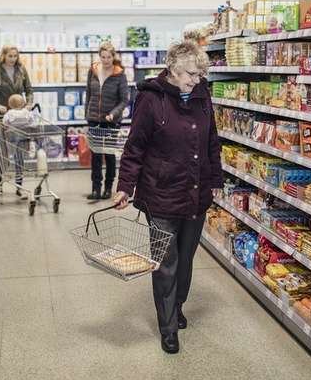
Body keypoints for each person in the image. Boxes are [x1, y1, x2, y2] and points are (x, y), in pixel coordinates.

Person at [113, 41, 223, 354]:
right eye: (191, 73)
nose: (196, 80)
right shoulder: (151, 99)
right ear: (173, 68)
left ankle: (178, 304)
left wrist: (215, 180)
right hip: (160, 195)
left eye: (200, 74)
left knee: (185, 259)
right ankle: (168, 325)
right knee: (165, 262)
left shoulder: (203, 97)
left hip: (195, 193)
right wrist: (125, 186)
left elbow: (211, 142)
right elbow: (135, 147)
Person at [0, 45, 34, 194]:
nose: (13, 59)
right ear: (3, 56)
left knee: (19, 150)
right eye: (10, 56)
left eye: (15, 56)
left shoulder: (21, 70)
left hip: (19, 117)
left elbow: (29, 90)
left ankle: (19, 185)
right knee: (0, 150)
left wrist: (29, 104)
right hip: (1, 117)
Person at [84, 42, 129, 200]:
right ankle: (96, 188)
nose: (106, 60)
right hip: (94, 118)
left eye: (109, 57)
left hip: (111, 121)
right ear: (99, 56)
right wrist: (87, 114)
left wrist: (113, 113)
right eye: (103, 57)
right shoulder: (93, 70)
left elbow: (124, 100)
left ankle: (108, 188)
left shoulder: (119, 74)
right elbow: (88, 93)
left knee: (109, 156)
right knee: (95, 155)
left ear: (113, 56)